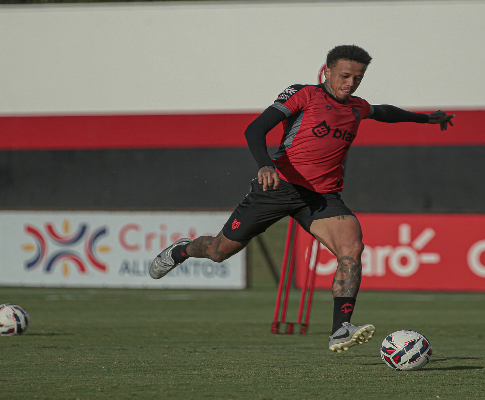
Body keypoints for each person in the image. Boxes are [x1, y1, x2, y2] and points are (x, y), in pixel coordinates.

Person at [149, 45, 455, 353]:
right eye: (344, 76)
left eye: (358, 78)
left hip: (322, 197)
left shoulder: (357, 107)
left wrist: (426, 119)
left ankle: (340, 329)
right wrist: (265, 165)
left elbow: (385, 112)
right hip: (277, 187)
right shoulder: (304, 94)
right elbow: (255, 129)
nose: (350, 83)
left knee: (351, 249)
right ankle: (182, 250)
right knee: (218, 251)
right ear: (327, 71)